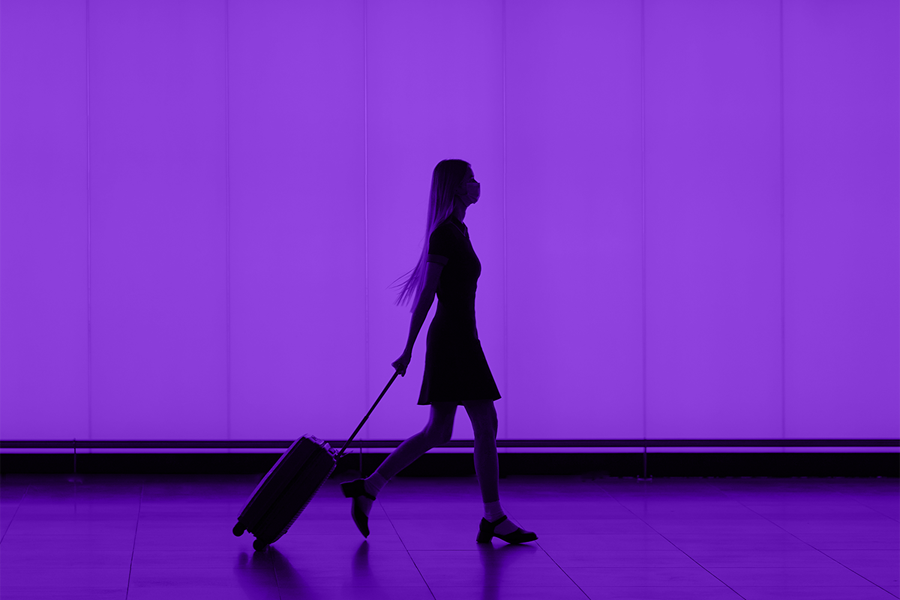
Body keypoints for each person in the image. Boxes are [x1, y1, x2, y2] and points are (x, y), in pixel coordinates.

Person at [340, 159, 537, 545]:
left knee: (439, 431)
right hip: (453, 340)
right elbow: (427, 295)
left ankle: (369, 487)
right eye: (470, 180)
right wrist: (408, 349)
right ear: (457, 188)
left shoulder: (459, 230)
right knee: (485, 424)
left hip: (460, 337)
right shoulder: (445, 234)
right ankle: (494, 517)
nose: (477, 184)